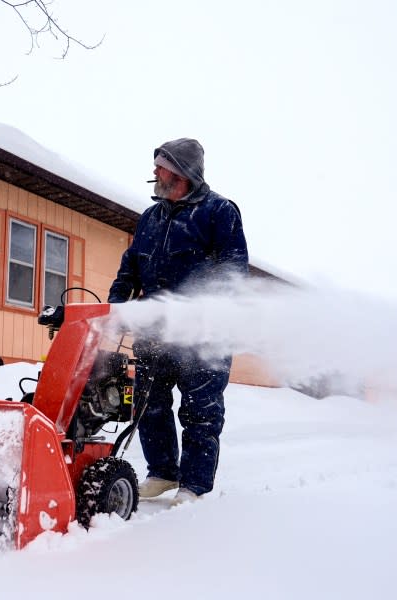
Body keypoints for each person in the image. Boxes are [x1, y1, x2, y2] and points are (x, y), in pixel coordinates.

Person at [108, 138, 248, 506]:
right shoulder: (150, 218)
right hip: (155, 332)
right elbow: (130, 267)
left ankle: (194, 485)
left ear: (183, 171)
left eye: (162, 165)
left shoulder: (219, 211)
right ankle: (163, 473)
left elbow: (232, 271)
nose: (155, 172)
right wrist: (115, 307)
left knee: (200, 411)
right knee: (149, 404)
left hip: (204, 334)